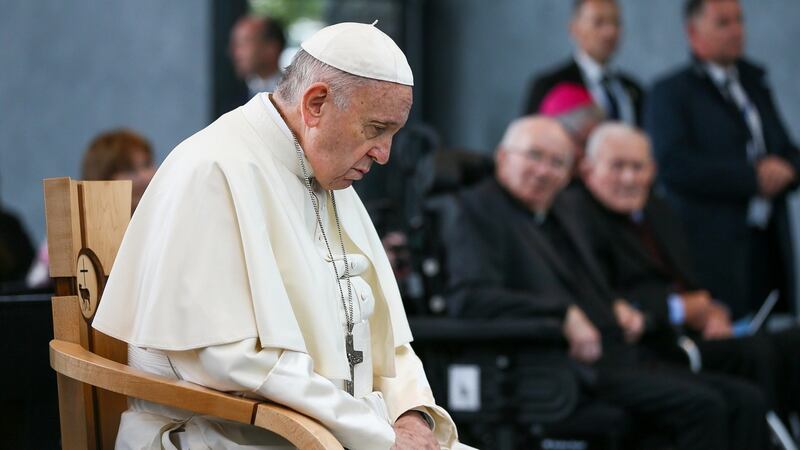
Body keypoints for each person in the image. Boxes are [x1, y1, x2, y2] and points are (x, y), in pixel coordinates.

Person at [92, 22, 470, 450]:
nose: (383, 155)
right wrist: (379, 436)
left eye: (393, 135)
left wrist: (413, 416)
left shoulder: (329, 174)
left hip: (342, 431)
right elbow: (228, 362)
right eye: (375, 129)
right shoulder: (213, 168)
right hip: (234, 435)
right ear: (316, 103)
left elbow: (387, 341)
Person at [445, 116, 768, 450]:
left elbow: (584, 280)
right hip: (558, 366)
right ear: (503, 156)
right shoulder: (477, 209)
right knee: (704, 405)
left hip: (617, 351)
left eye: (557, 163)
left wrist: (614, 305)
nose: (544, 170)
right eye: (534, 156)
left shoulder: (559, 211)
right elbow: (469, 298)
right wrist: (563, 314)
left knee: (745, 399)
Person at [573, 121, 800, 421]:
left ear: (652, 170)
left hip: (691, 332)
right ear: (588, 170)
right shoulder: (578, 219)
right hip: (650, 345)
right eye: (617, 166)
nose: (629, 178)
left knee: (791, 343)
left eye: (638, 167)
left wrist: (712, 311)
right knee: (756, 361)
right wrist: (681, 309)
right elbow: (606, 298)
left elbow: (689, 282)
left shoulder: (659, 210)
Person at [645, 0, 800, 319]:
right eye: (723, 23)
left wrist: (788, 170)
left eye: (739, 21)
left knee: (774, 338)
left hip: (766, 240)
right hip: (711, 247)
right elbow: (674, 166)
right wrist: (752, 178)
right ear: (693, 32)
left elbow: (785, 148)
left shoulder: (754, 84)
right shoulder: (670, 92)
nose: (736, 31)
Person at [26, 129, 156, 288]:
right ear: (102, 177)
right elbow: (34, 291)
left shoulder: (159, 224)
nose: (145, 176)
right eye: (129, 169)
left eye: (147, 164)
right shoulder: (73, 234)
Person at [522, 0, 643, 125]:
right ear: (574, 29)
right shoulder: (549, 86)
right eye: (598, 22)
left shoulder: (634, 90)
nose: (610, 32)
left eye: (616, 23)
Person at [230, 15, 286, 102]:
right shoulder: (230, 96)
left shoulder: (296, 93)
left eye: (244, 43)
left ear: (271, 48)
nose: (236, 52)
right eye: (236, 44)